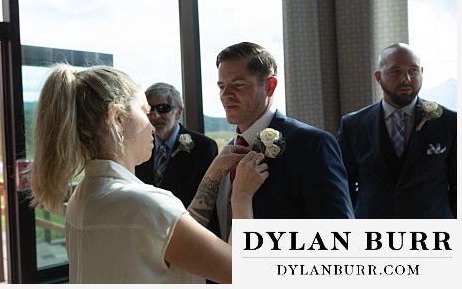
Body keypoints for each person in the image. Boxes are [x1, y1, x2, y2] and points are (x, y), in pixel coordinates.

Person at [28, 64, 268, 284]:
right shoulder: (146, 204)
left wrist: (214, 172)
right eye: (144, 111)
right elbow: (242, 272)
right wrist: (242, 197)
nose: (152, 124)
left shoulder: (82, 196)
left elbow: (168, 237)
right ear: (118, 119)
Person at [211, 41, 352, 239]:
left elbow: (338, 236)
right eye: (221, 86)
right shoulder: (226, 154)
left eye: (238, 85)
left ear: (270, 86)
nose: (225, 95)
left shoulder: (312, 145)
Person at [337, 42, 456, 218]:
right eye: (396, 71)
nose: (406, 78)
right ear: (378, 77)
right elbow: (341, 183)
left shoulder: (449, 121)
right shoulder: (353, 125)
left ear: (421, 72)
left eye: (413, 70)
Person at [134, 81, 218, 207]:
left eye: (163, 108)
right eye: (150, 110)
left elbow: (209, 198)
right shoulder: (137, 146)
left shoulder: (204, 147)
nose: (155, 116)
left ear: (178, 112)